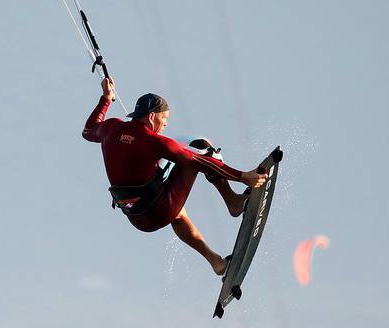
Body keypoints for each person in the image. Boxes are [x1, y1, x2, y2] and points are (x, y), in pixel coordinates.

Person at [83, 76, 272, 277]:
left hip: (137, 219)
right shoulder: (155, 141)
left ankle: (216, 262)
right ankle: (233, 202)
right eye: (165, 119)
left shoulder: (111, 128)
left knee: (177, 210)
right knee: (203, 152)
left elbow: (88, 131)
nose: (165, 124)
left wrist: (106, 98)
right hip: (158, 210)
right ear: (152, 116)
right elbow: (199, 162)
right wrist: (243, 176)